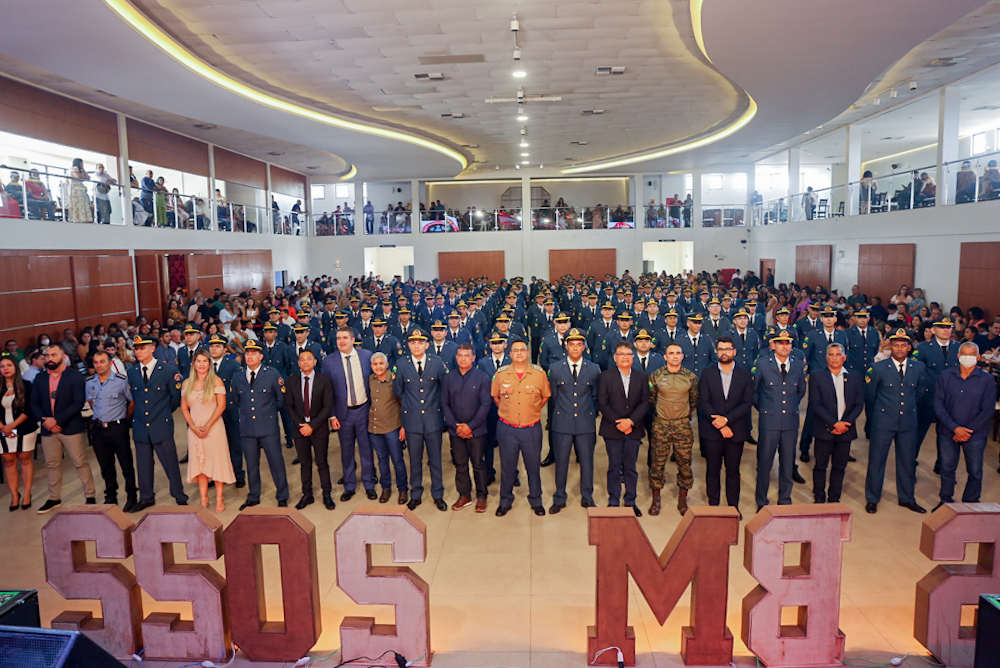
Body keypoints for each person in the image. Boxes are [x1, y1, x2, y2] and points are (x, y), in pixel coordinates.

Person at [864, 328, 929, 515]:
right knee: (877, 461)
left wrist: (906, 408)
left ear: (909, 347)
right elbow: (870, 396)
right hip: (883, 422)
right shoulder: (878, 368)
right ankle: (872, 498)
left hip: (908, 422)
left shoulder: (918, 367)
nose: (899, 349)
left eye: (903, 345)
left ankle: (907, 498)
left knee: (907, 462)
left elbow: (919, 392)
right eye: (895, 345)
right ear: (890, 346)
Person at [126, 334, 188, 511]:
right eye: (136, 349)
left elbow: (175, 397)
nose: (138, 351)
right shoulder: (132, 372)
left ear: (152, 348)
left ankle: (179, 495)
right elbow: (135, 399)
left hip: (161, 423)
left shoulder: (168, 371)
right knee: (144, 465)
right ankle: (146, 497)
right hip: (140, 425)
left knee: (170, 462)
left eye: (142, 348)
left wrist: (163, 413)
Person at [31, 344, 95, 513]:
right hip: (47, 428)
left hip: (69, 426)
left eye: (53, 354)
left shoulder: (74, 376)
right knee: (52, 465)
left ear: (63, 356)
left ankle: (90, 495)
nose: (49, 358)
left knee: (80, 462)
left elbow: (77, 402)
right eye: (47, 355)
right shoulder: (40, 378)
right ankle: (54, 498)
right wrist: (46, 421)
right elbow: (34, 403)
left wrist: (57, 420)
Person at [491, 337, 551, 517]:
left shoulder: (539, 374)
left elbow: (545, 396)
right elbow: (496, 397)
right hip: (507, 429)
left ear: (527, 352)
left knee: (533, 466)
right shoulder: (501, 374)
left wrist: (531, 410)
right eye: (515, 350)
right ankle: (505, 500)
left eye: (522, 350)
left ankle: (536, 500)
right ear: (510, 354)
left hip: (531, 428)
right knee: (507, 467)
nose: (519, 353)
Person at [933, 342, 996, 509]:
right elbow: (939, 404)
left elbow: (988, 409)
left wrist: (967, 430)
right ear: (958, 356)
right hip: (948, 432)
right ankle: (945, 501)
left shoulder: (987, 380)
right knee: (947, 469)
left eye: (972, 354)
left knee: (975, 471)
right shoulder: (945, 376)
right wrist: (955, 428)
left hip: (975, 434)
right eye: (964, 354)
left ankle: (971, 503)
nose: (968, 357)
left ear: (978, 357)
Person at [698, 337, 754, 516]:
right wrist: (721, 425)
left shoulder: (745, 374)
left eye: (728, 349)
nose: (724, 352)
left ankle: (733, 507)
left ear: (734, 352)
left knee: (733, 471)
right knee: (712, 470)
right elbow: (704, 401)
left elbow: (747, 403)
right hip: (712, 430)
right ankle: (713, 507)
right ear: (717, 352)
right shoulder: (707, 373)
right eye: (720, 349)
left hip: (736, 431)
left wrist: (727, 420)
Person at [546, 328, 600, 513]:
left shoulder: (594, 369)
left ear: (584, 347)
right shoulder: (555, 368)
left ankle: (587, 497)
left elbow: (595, 396)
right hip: (562, 422)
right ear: (566, 346)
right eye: (572, 345)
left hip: (585, 422)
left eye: (579, 345)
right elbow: (553, 396)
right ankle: (559, 497)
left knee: (586, 462)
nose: (575, 348)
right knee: (561, 462)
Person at [394, 328, 449, 511]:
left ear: (427, 345)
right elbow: (398, 391)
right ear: (408, 345)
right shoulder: (401, 364)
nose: (416, 345)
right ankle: (415, 494)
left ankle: (438, 494)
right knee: (414, 460)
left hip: (433, 420)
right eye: (413, 342)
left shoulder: (437, 362)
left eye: (420, 342)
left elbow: (443, 389)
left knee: (435, 459)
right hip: (412, 421)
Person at [752, 330, 806, 511]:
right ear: (773, 345)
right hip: (769, 422)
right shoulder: (762, 365)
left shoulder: (798, 365)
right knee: (765, 462)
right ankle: (761, 500)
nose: (785, 346)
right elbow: (755, 392)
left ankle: (785, 499)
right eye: (780, 342)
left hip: (790, 421)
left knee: (787, 461)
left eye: (788, 343)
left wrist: (789, 407)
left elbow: (801, 390)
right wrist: (768, 410)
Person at [232, 340, 289, 509]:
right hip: (247, 427)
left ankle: (282, 495)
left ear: (261, 356)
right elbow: (235, 400)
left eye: (253, 353)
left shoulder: (271, 374)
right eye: (247, 353)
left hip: (268, 427)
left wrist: (267, 414)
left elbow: (281, 400)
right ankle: (253, 495)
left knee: (276, 462)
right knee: (251, 464)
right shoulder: (238, 375)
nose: (249, 356)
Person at [325, 325, 377, 501]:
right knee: (346, 451)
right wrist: (332, 415)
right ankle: (349, 485)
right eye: (339, 338)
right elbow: (327, 391)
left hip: (363, 410)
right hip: (342, 414)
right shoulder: (329, 361)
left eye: (345, 338)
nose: (341, 341)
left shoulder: (366, 356)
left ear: (353, 340)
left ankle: (369, 483)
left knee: (366, 449)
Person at [808, 343, 864, 503]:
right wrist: (834, 424)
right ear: (826, 358)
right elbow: (815, 404)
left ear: (844, 357)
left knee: (839, 467)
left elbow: (859, 404)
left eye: (838, 354)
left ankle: (834, 498)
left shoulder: (854, 377)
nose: (834, 358)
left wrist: (845, 423)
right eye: (831, 355)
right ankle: (819, 496)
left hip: (845, 430)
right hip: (824, 430)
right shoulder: (817, 377)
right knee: (820, 466)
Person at [180, 349, 234, 513]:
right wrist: (193, 427)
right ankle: (204, 498)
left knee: (216, 462)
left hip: (214, 427)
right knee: (199, 463)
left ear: (209, 364)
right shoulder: (186, 383)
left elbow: (221, 406)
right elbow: (184, 408)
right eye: (199, 361)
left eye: (205, 361)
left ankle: (219, 497)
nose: (202, 364)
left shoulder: (216, 381)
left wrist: (208, 425)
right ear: (193, 364)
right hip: (194, 428)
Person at [599, 341, 649, 516]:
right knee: (614, 466)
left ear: (633, 357)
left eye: (628, 354)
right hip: (612, 429)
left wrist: (631, 422)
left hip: (633, 429)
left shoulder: (642, 377)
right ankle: (613, 501)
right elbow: (602, 403)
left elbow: (645, 403)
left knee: (630, 467)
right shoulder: (606, 376)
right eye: (621, 354)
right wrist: (618, 423)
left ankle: (630, 502)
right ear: (615, 357)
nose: (625, 357)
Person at [441, 343, 491, 511]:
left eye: (466, 355)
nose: (463, 359)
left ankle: (482, 496)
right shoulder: (449, 378)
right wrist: (456, 426)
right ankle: (464, 495)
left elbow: (485, 405)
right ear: (456, 358)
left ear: (473, 357)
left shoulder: (482, 378)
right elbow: (444, 404)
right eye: (460, 355)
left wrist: (470, 427)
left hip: (476, 431)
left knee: (478, 464)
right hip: (456, 431)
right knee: (460, 464)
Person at [85, 350, 138, 511]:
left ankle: (131, 495)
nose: (99, 365)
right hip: (99, 428)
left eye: (102, 361)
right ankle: (111, 496)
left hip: (118, 427)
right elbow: (92, 403)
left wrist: (124, 418)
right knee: (106, 465)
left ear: (110, 362)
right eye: (96, 362)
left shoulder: (121, 381)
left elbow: (132, 402)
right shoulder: (89, 382)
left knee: (126, 463)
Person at [286, 348, 336, 511]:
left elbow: (328, 406)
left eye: (309, 359)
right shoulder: (292, 380)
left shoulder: (324, 380)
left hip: (319, 428)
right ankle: (307, 495)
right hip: (300, 429)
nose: (305, 361)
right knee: (305, 464)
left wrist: (312, 426)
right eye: (302, 359)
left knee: (322, 463)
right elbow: (289, 405)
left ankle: (327, 494)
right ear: (298, 363)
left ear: (315, 362)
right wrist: (301, 426)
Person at [912, 316, 959, 472]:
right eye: (942, 327)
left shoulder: (957, 348)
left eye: (949, 327)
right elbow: (916, 372)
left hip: (950, 400)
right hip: (928, 397)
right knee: (918, 432)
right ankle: (910, 464)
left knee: (946, 435)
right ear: (933, 330)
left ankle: (942, 465)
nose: (946, 330)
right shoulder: (924, 348)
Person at [368, 351, 408, 505]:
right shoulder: (370, 380)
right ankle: (386, 488)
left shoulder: (395, 381)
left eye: (381, 364)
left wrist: (403, 427)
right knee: (382, 460)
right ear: (372, 366)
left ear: (387, 365)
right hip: (374, 428)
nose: (378, 367)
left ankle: (403, 489)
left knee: (397, 460)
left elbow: (403, 405)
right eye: (375, 364)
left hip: (392, 427)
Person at [207, 334, 246, 488]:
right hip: (210, 409)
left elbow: (239, 385)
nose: (214, 349)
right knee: (213, 443)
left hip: (230, 408)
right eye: (211, 346)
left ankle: (238, 473)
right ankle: (215, 475)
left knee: (234, 441)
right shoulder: (204, 364)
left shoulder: (232, 365)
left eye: (217, 346)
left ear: (225, 349)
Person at [1, 353, 37, 511]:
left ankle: (27, 493)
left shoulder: (27, 385)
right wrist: (4, 427)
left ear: (15, 366)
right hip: (2, 430)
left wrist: (12, 426)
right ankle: (14, 495)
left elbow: (29, 409)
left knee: (25, 459)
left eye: (8, 365)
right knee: (8, 461)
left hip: (24, 428)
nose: (5, 369)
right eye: (2, 366)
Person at [67, 158, 93, 223]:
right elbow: (78, 176)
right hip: (75, 189)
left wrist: (83, 169)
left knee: (82, 203)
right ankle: (77, 218)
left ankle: (83, 218)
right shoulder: (74, 168)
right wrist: (83, 177)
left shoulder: (79, 170)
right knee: (77, 203)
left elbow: (88, 177)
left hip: (80, 188)